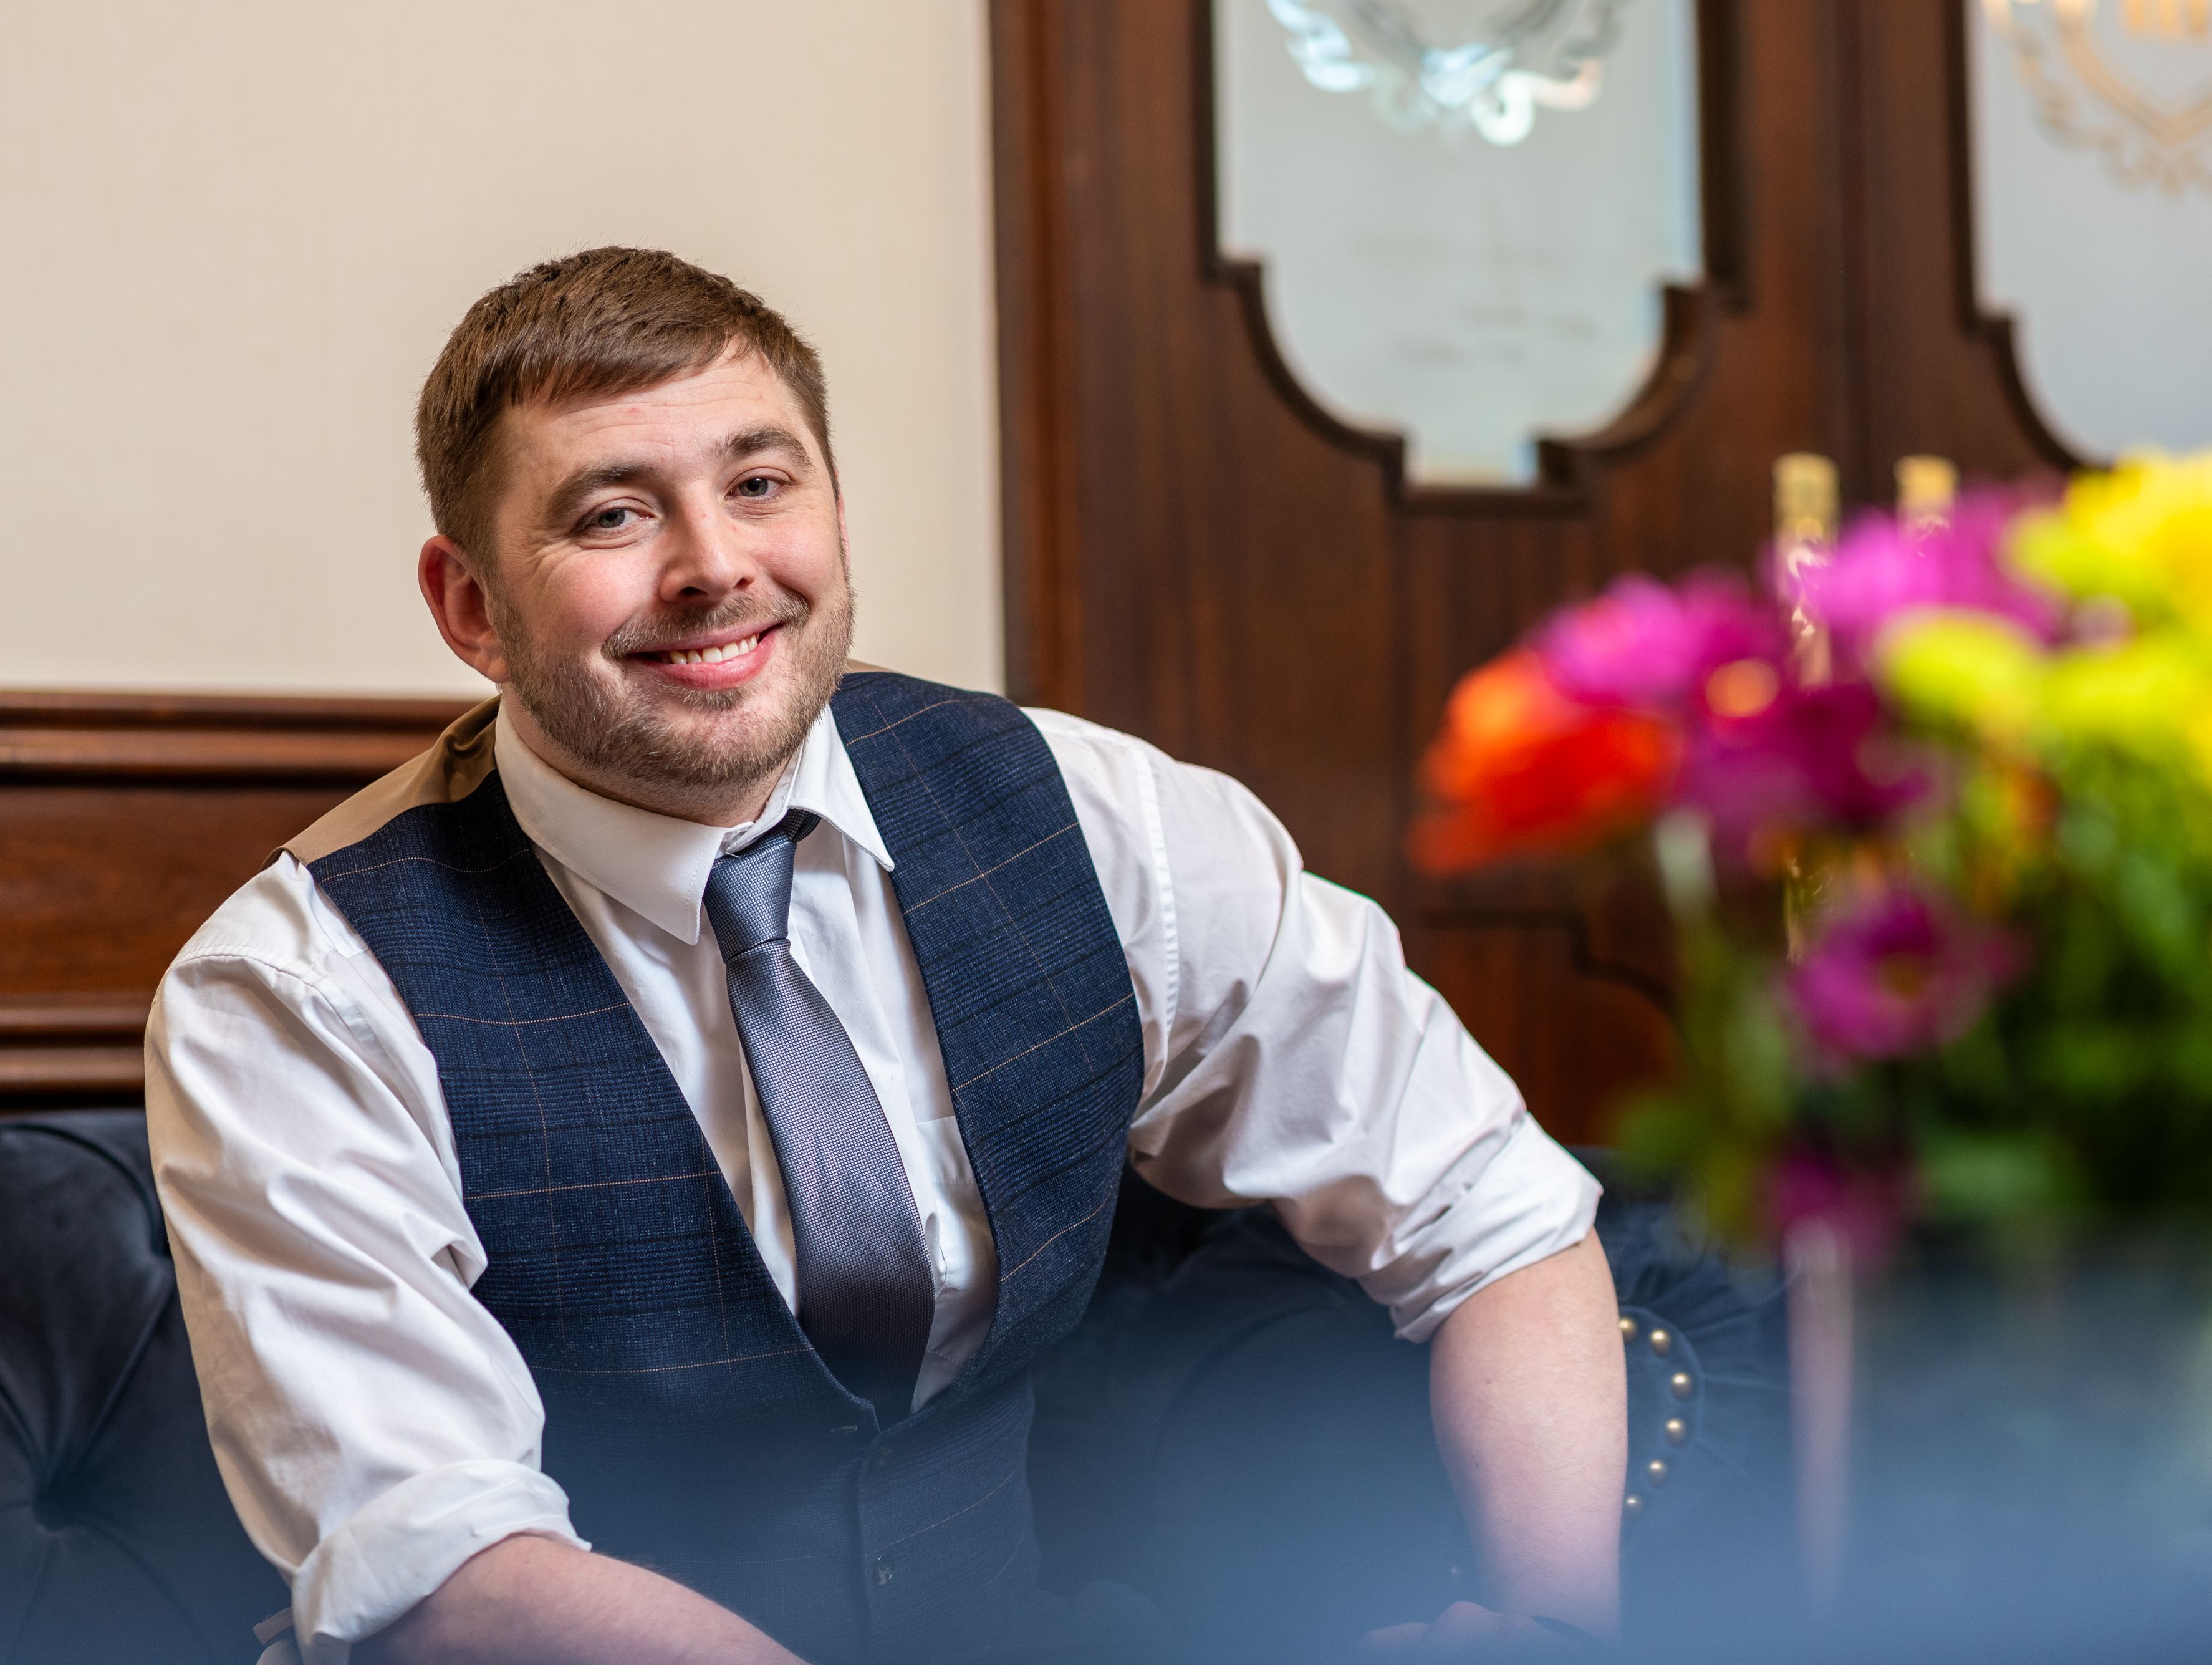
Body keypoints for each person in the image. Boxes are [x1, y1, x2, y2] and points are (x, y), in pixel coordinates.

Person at [146, 247, 1627, 1665]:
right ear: (472, 607)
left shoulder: (1095, 815)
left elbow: (1484, 1203)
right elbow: (441, 1573)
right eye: (611, 515)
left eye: (760, 484)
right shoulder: (297, 990)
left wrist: (1558, 1627)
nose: (714, 566)